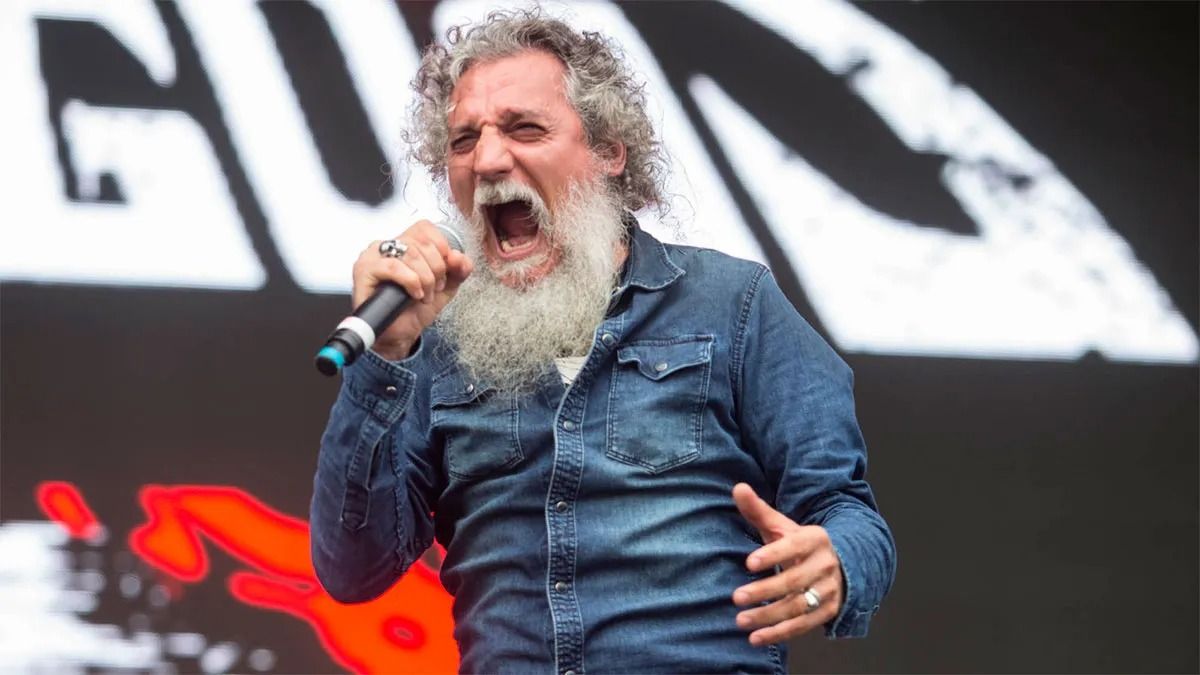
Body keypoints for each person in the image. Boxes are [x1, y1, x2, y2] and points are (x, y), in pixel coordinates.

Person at [310, 9, 895, 673]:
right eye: (463, 139)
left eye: (524, 128)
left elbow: (849, 514)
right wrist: (384, 358)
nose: (488, 159)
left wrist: (836, 563)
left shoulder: (732, 303)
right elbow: (349, 570)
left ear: (609, 151)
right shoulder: (432, 341)